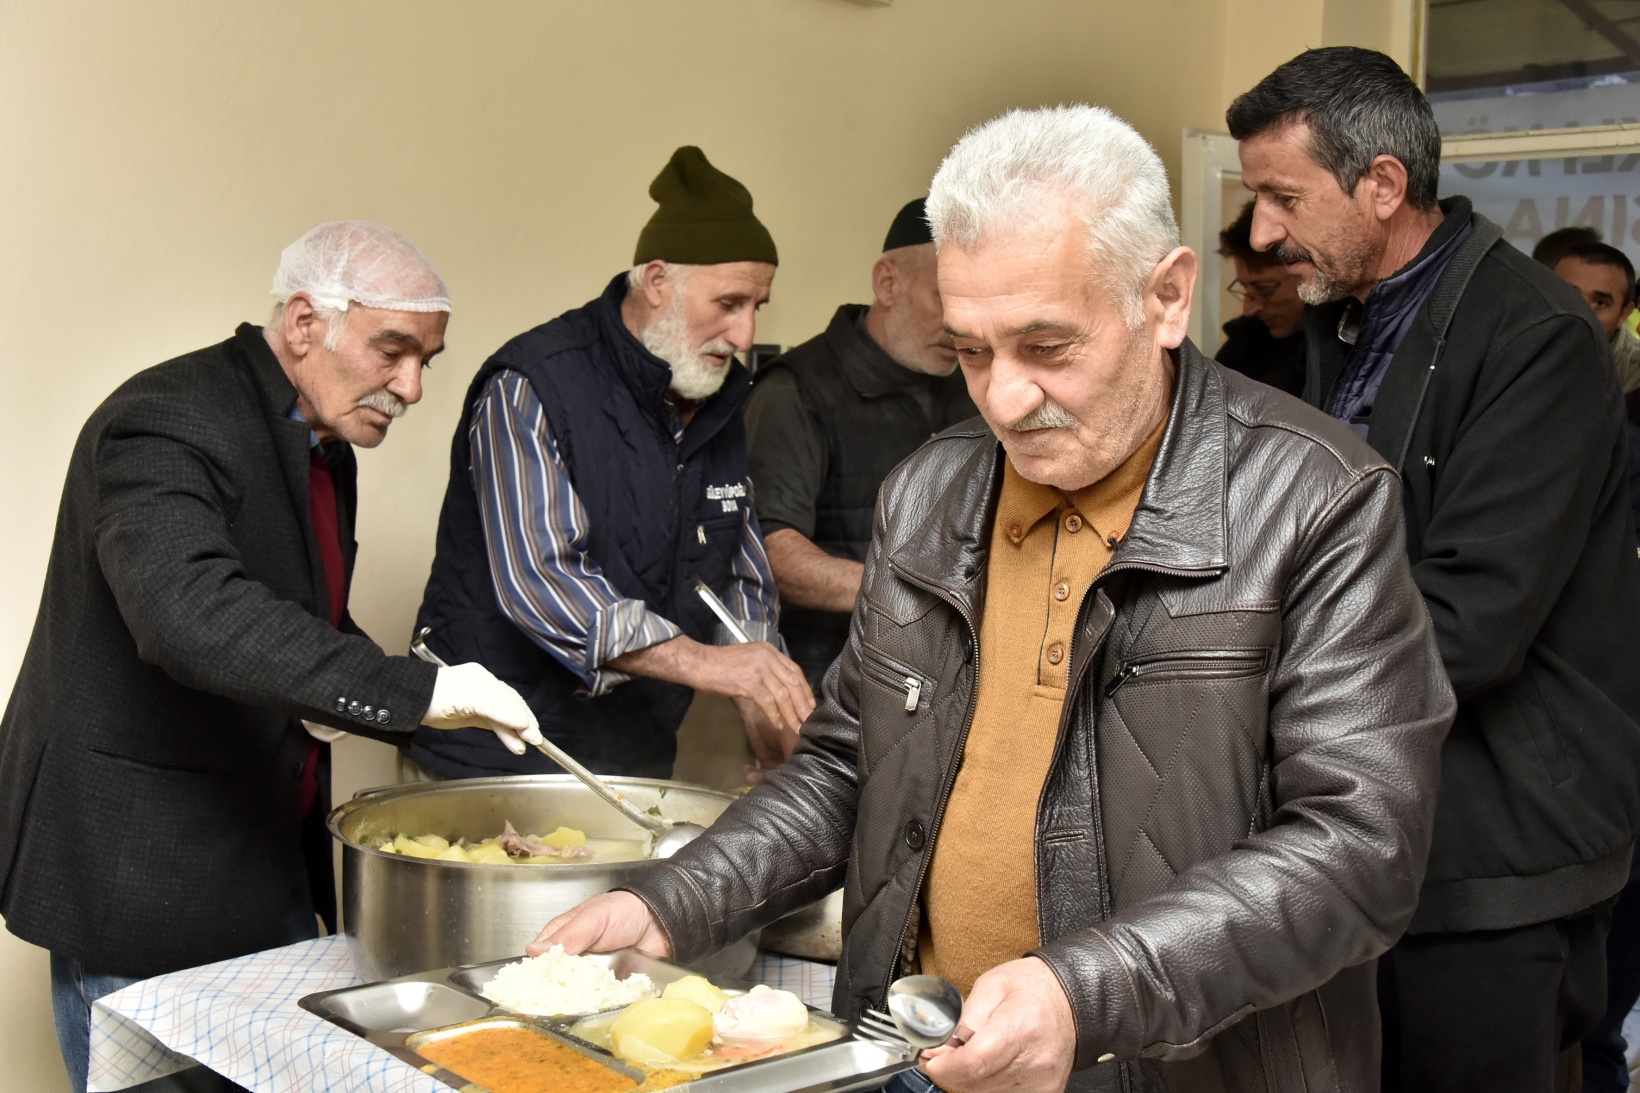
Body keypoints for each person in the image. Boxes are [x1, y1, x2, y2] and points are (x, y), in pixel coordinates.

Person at [532, 104, 1454, 1093]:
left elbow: (1360, 848)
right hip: (922, 1051)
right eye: (972, 351)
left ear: (1166, 296)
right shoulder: (929, 491)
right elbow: (848, 767)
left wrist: (1084, 993)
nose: (1003, 399)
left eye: (1045, 347)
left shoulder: (1315, 500)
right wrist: (672, 902)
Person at [0, 221, 544, 1093]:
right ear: (302, 323)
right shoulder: (166, 417)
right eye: (392, 350)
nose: (410, 386)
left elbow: (296, 618)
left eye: (425, 361)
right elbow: (188, 613)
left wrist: (440, 706)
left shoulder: (319, 435)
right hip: (143, 873)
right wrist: (414, 691)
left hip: (265, 863)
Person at [1230, 46, 1640, 1093]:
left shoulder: (1536, 334)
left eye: (1283, 198)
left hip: (1492, 855)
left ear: (1382, 184)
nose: (1262, 233)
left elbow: (1471, 620)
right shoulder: (1342, 317)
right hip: (1363, 827)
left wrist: (1239, 682)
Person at [413, 147, 813, 782]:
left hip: (632, 760)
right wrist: (709, 666)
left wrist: (767, 712)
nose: (744, 335)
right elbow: (543, 581)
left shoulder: (717, 397)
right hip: (491, 758)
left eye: (756, 307)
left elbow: (742, 581)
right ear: (656, 281)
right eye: (729, 303)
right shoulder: (532, 384)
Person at [744, 198, 976, 690]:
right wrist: (907, 595)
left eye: (972, 303)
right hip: (829, 679)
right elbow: (770, 550)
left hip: (948, 676)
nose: (960, 326)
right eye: (944, 298)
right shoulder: (796, 391)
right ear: (887, 283)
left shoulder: (978, 385)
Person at [1214, 197, 1306, 395]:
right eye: (1246, 288)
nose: (1248, 309)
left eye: (1264, 289)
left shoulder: (1347, 352)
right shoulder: (1241, 350)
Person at [1553, 241, 1640, 396]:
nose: (1581, 313)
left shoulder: (1635, 374)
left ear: (1623, 314)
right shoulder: (1513, 343)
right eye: (1568, 294)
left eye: (1600, 303)